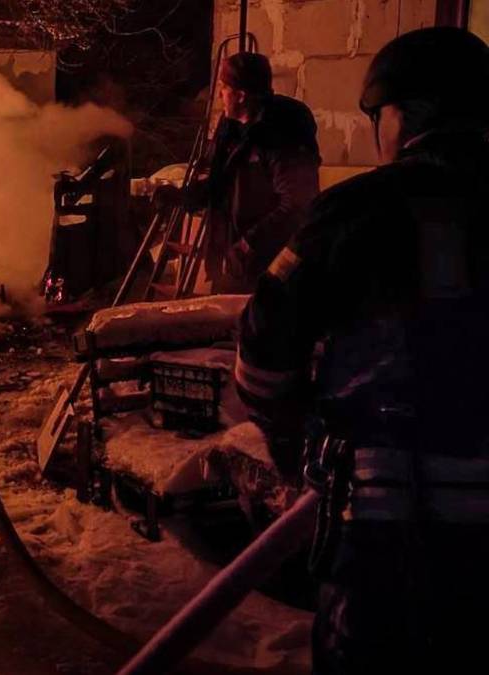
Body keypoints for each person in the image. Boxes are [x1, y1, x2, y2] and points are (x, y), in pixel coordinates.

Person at [234, 27, 489, 674]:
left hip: (388, 534)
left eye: (380, 115)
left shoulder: (355, 214)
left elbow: (263, 355)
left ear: (410, 114)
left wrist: (294, 447)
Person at [189, 52, 321, 292]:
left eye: (224, 87)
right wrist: (184, 196)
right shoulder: (230, 131)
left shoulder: (281, 134)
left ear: (240, 95)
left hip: (270, 270)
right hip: (232, 264)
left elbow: (298, 204)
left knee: (258, 325)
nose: (220, 94)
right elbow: (220, 186)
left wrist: (249, 244)